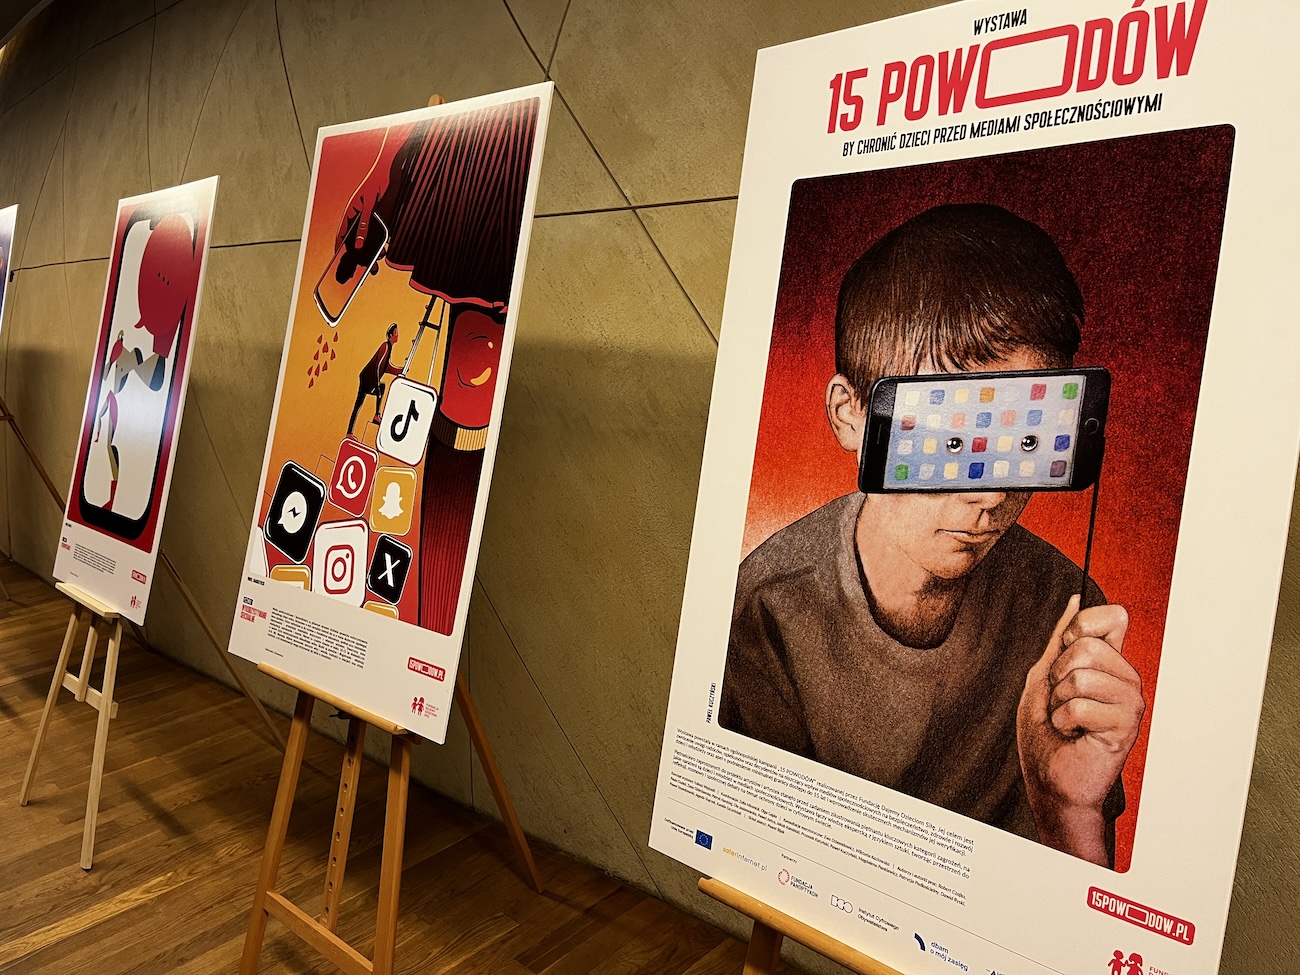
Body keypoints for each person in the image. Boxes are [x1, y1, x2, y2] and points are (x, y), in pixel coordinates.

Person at [719, 204, 1145, 867]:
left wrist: (1070, 812)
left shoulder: (1064, 608)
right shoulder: (767, 606)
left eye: (1026, 440)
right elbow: (766, 859)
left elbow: (1070, 904)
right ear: (850, 416)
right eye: (949, 439)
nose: (991, 495)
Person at [348, 323, 405, 435]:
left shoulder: (389, 348)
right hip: (367, 378)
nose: (397, 336)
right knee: (360, 403)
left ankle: (375, 416)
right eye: (396, 333)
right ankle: (352, 431)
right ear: (390, 335)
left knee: (378, 390)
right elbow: (378, 366)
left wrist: (401, 370)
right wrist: (376, 383)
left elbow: (387, 367)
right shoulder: (385, 346)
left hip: (370, 378)